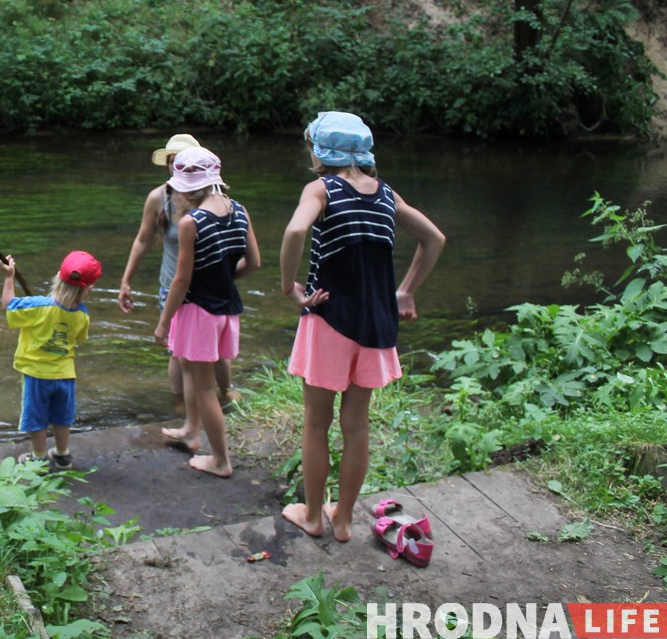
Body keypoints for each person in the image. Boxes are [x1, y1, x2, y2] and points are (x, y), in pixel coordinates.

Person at [279, 111, 446, 541]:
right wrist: (406, 290)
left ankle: (314, 517)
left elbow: (296, 229)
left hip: (329, 319)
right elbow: (434, 239)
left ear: (319, 152)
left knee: (317, 423)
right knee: (357, 425)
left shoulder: (322, 188)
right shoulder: (387, 194)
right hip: (376, 326)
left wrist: (289, 287)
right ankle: (345, 520)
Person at [153, 147, 261, 478]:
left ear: (190, 188)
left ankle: (221, 460)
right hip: (226, 309)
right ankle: (189, 430)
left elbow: (182, 280)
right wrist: (225, 278)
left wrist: (163, 323)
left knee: (203, 387)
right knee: (188, 366)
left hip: (197, 312)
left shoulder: (191, 222)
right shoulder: (239, 211)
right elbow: (254, 262)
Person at [118, 134, 238, 414]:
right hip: (174, 286)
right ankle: (180, 403)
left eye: (182, 162)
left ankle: (226, 391)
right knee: (178, 350)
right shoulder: (159, 198)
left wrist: (232, 275)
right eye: (173, 162)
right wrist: (126, 280)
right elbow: (143, 240)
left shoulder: (215, 198)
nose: (177, 167)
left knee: (218, 348)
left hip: (213, 285)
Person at [1, 250, 102, 472]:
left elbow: (8, 305)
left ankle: (38, 458)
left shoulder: (36, 305)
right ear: (88, 289)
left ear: (58, 275)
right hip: (65, 376)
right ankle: (62, 455)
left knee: (36, 416)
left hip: (37, 375)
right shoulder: (82, 314)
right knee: (61, 417)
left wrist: (9, 278)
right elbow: (78, 338)